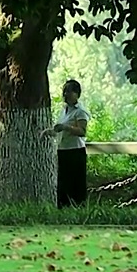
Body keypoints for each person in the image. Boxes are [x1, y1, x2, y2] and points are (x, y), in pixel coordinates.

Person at [44, 79, 90, 208]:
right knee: (63, 184)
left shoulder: (80, 111)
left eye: (69, 91)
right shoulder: (64, 111)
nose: (65, 94)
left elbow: (82, 131)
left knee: (75, 184)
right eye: (64, 91)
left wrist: (65, 127)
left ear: (77, 94)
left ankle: (78, 208)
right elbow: (60, 131)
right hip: (63, 150)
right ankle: (63, 209)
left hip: (75, 152)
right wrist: (50, 132)